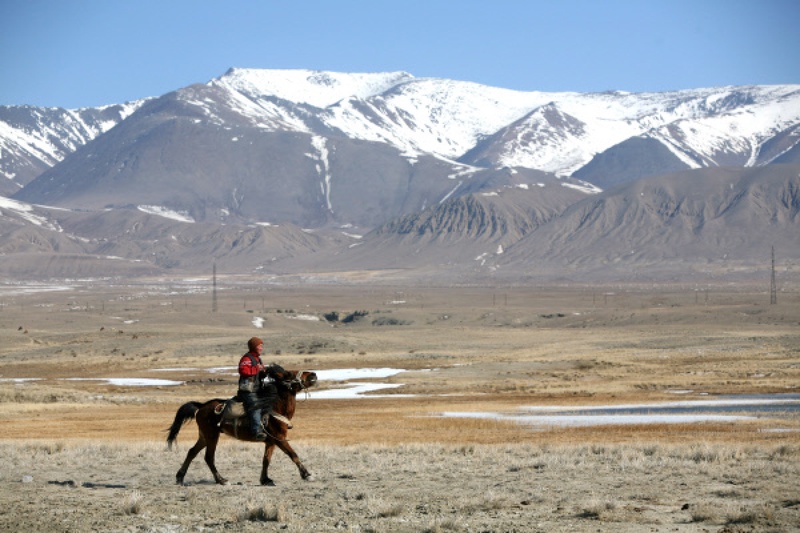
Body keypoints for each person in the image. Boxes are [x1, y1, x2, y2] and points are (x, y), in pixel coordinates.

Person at [238, 336, 275, 440]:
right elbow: (243, 371)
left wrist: (264, 373)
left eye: (262, 346)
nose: (261, 348)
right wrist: (256, 369)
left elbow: (258, 374)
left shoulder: (258, 359)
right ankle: (256, 431)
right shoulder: (246, 358)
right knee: (256, 406)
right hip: (248, 391)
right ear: (254, 346)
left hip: (257, 389)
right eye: (259, 346)